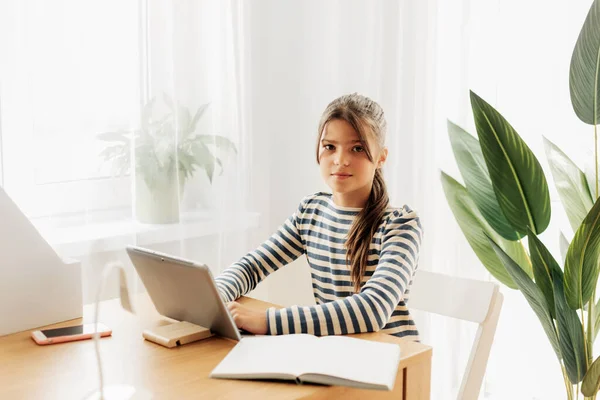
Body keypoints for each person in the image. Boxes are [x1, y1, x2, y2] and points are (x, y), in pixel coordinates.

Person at [215, 93, 423, 340]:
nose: (340, 160)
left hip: (395, 365)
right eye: (329, 147)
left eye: (357, 148)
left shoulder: (400, 225)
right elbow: (252, 266)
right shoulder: (311, 212)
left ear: (381, 158)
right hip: (335, 355)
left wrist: (267, 321)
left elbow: (373, 309)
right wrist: (214, 297)